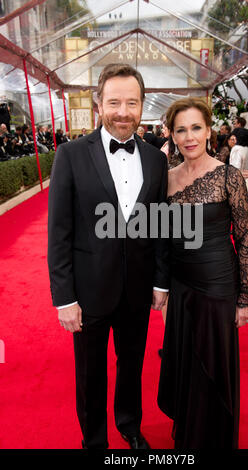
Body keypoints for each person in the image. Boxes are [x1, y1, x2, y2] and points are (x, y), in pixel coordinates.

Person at [48, 63, 169, 450]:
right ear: (99, 103)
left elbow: (160, 225)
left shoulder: (155, 159)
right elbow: (59, 232)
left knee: (132, 365)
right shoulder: (69, 154)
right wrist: (64, 298)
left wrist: (160, 281)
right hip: (88, 291)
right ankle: (95, 440)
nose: (122, 111)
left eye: (131, 103)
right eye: (114, 102)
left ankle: (130, 426)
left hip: (137, 288)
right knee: (90, 373)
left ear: (142, 105)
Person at [158, 97, 248, 449]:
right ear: (172, 134)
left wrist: (245, 296)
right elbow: (162, 240)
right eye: (181, 129)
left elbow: (244, 239)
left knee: (212, 366)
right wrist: (161, 285)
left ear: (209, 130)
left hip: (218, 287)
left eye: (196, 127)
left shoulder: (228, 177)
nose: (189, 136)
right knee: (187, 365)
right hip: (181, 288)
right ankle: (188, 437)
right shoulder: (166, 180)